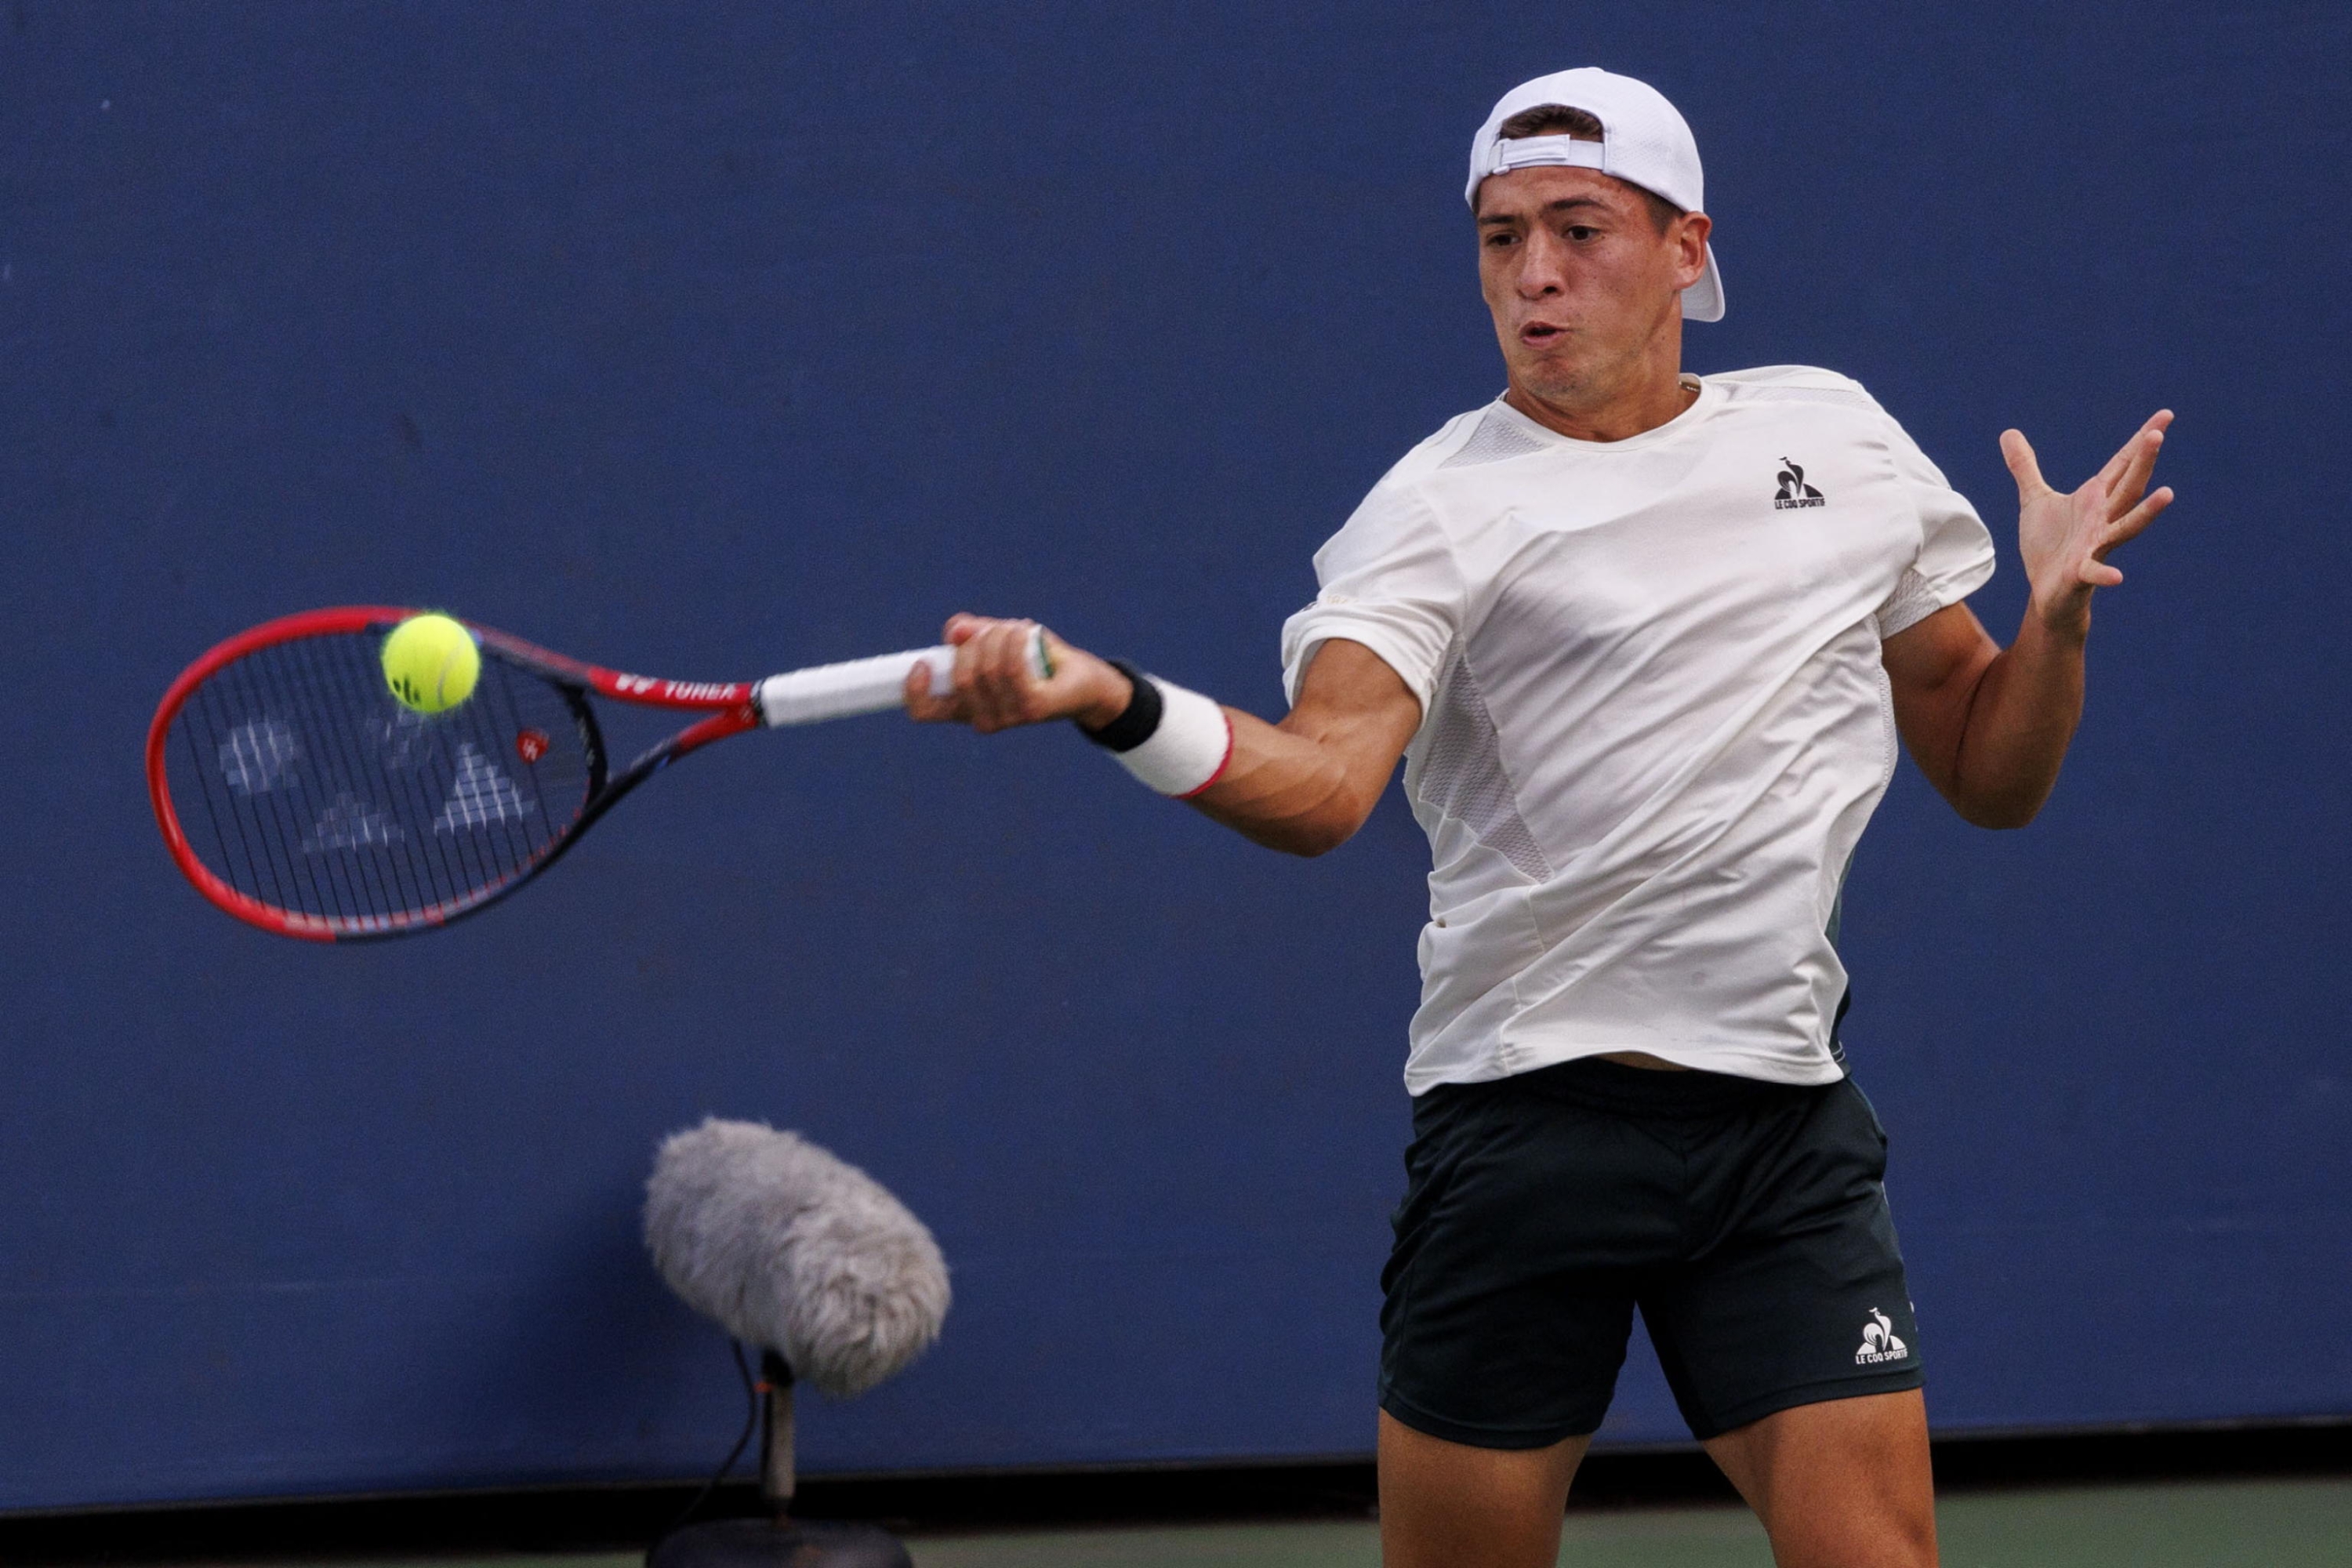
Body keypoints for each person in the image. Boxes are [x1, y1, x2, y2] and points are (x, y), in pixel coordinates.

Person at [906, 66, 2173, 1568]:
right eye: (1502, 239)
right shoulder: (1436, 513)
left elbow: (1989, 770)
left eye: (1580, 229)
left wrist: (2052, 632)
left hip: (1780, 1126)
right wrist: (1109, 697)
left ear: (1689, 251)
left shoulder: (1834, 437)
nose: (1536, 276)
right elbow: (1321, 793)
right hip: (1528, 1134)